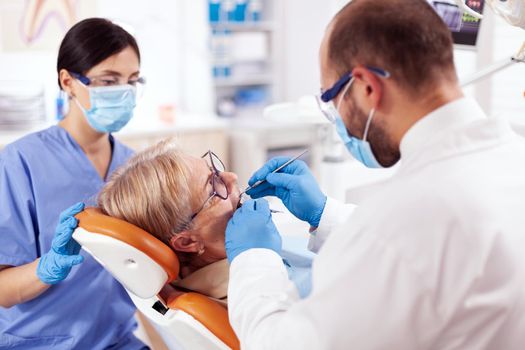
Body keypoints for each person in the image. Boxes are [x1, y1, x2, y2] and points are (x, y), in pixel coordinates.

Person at [224, 0, 525, 349]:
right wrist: (326, 213)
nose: (334, 117)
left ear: (367, 87)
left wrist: (253, 260)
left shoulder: (397, 224)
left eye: (329, 99)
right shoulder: (511, 155)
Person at [0, 18, 147, 349]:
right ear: (68, 81)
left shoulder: (135, 166)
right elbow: (3, 290)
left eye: (132, 81)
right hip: (39, 341)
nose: (124, 92)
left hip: (115, 338)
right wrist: (46, 268)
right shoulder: (20, 162)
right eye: (109, 81)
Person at [96, 140, 312, 301]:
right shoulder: (256, 293)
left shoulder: (200, 279)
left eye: (215, 170)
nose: (232, 177)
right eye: (213, 185)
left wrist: (322, 216)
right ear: (187, 242)